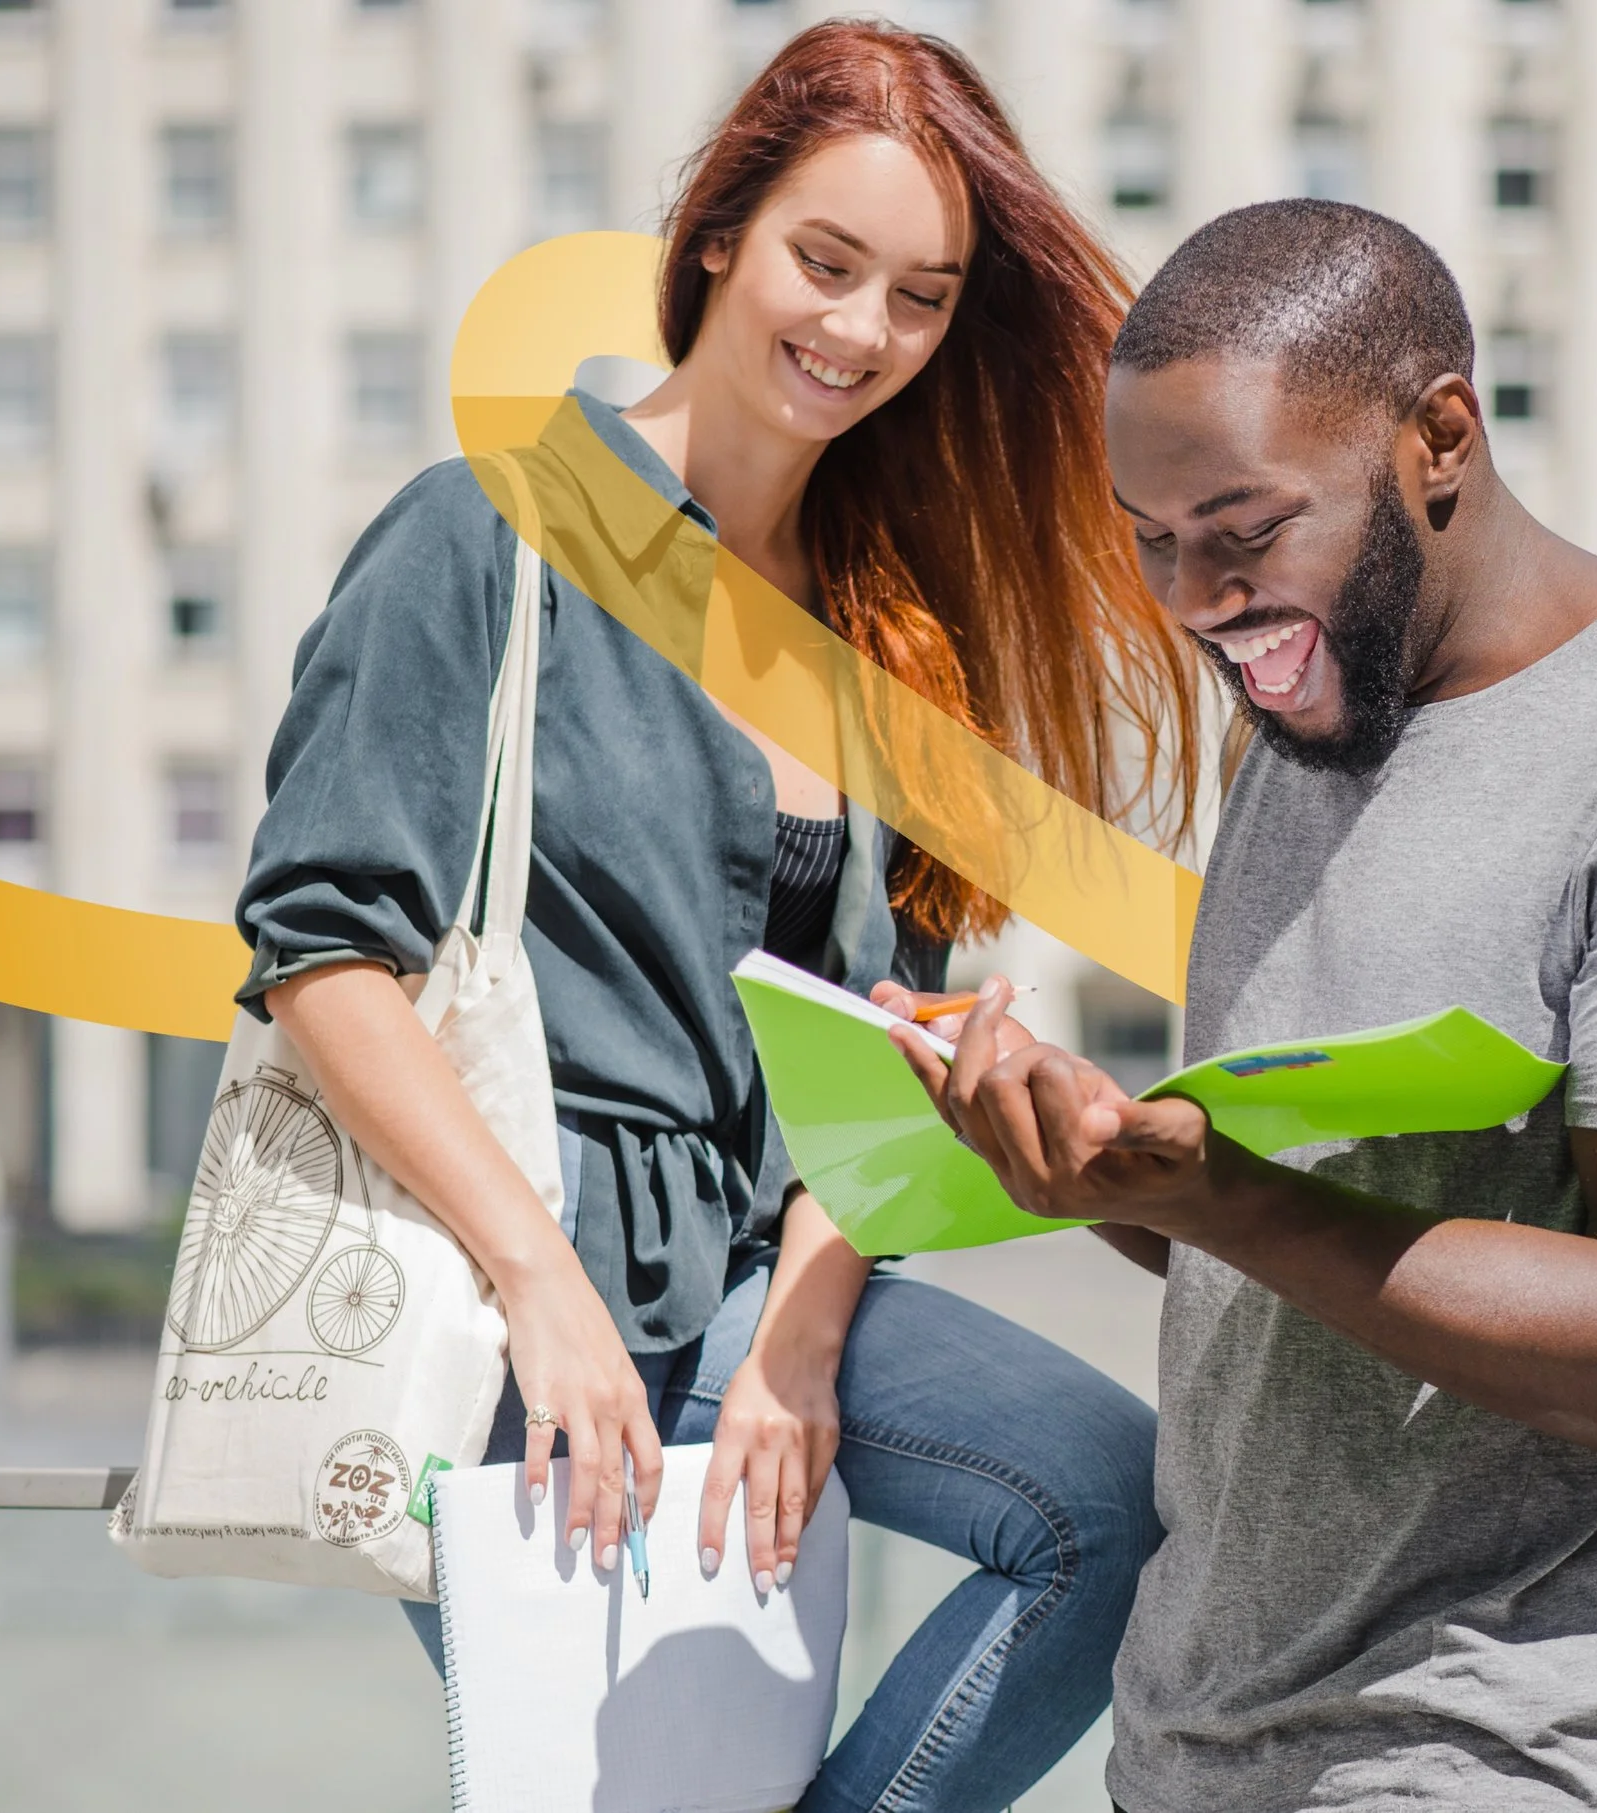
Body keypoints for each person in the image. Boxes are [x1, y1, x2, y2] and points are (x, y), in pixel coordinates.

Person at [237, 24, 1199, 1812]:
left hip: (779, 1265)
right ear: (717, 243)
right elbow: (319, 947)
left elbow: (885, 1030)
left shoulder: (886, 625)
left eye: (918, 297)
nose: (858, 332)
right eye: (823, 264)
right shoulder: (490, 534)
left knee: (1110, 1509)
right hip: (513, 1285)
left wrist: (801, 1341)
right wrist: (541, 1284)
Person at [887, 200, 1597, 1811]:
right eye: (1152, 537)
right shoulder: (1308, 719)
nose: (1195, 595)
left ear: (1440, 436)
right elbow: (1300, 1232)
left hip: (1504, 1759)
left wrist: (1210, 1189)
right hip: (1202, 1748)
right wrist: (1094, 1160)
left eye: (1245, 526)